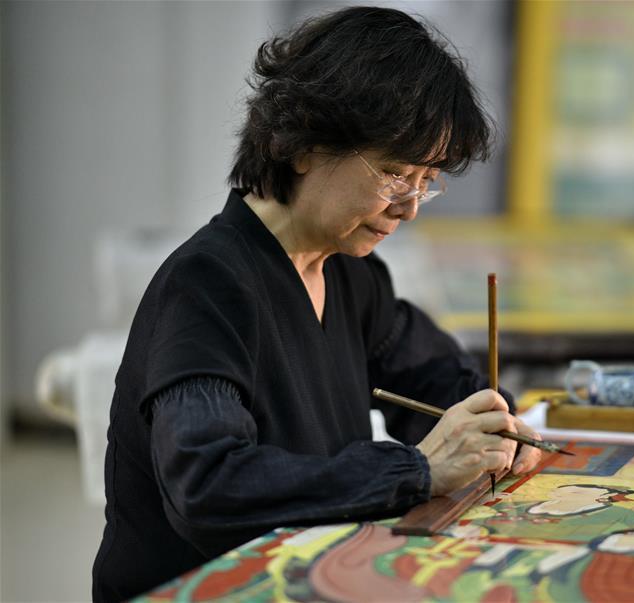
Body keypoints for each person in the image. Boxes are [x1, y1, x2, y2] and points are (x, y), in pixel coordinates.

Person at [91, 6, 542, 601]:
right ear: (303, 144)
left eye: (425, 181)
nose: (409, 206)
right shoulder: (207, 286)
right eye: (394, 173)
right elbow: (209, 486)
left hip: (306, 577)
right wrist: (417, 471)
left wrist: (490, 423)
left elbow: (434, 376)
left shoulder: (352, 275)